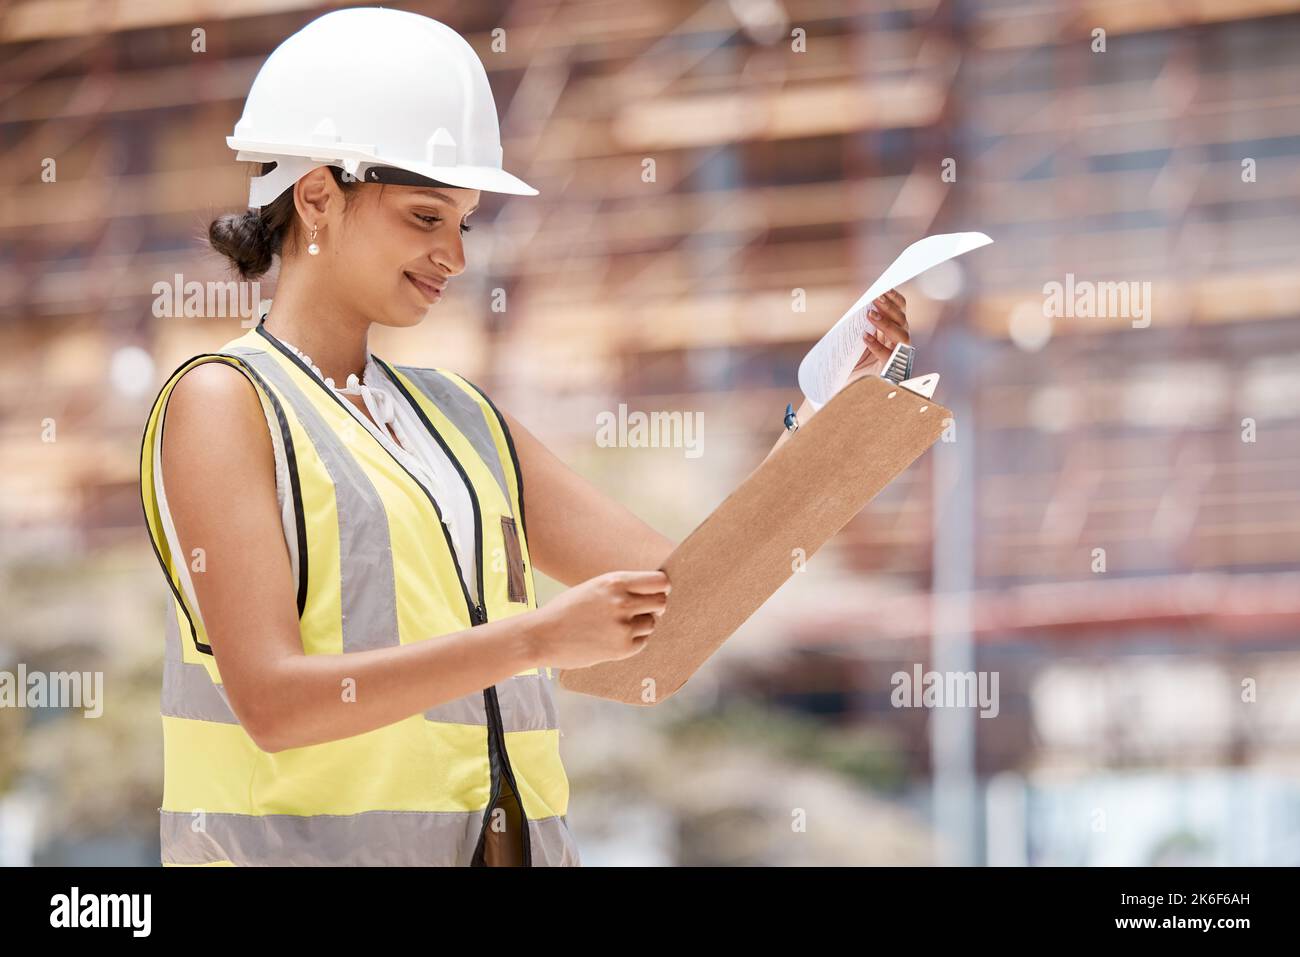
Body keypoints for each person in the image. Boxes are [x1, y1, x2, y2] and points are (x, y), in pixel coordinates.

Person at [139, 8, 910, 867]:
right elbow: (274, 704)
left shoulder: (462, 422)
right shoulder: (224, 402)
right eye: (426, 217)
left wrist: (821, 420)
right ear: (317, 196)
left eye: (463, 223)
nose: (455, 257)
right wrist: (540, 637)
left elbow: (684, 599)